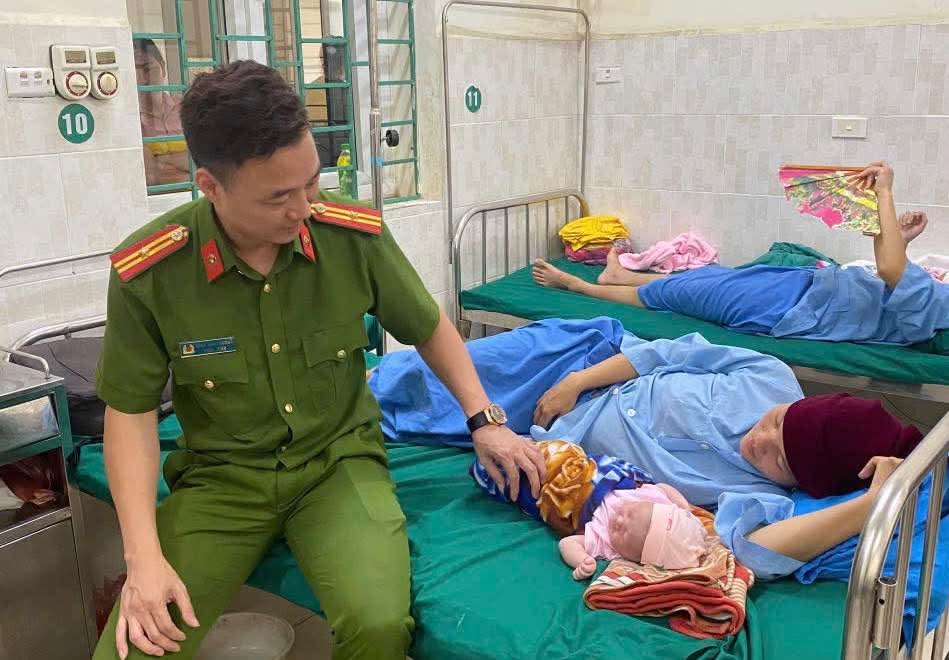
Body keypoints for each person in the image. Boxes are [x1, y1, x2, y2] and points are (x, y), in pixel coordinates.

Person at [94, 60, 544, 660]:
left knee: (379, 625)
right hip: (222, 481)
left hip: (337, 467)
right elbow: (128, 412)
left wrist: (484, 419)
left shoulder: (350, 235)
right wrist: (143, 558)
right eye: (279, 196)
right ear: (211, 187)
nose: (305, 207)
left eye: (312, 182)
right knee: (138, 645)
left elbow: (430, 327)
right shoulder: (150, 272)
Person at [533, 162, 948, 346]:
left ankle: (578, 286)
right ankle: (621, 276)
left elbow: (891, 269)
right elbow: (893, 274)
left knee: (681, 295)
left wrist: (885, 193)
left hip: (793, 309)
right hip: (812, 286)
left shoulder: (941, 308)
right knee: (705, 278)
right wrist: (900, 238)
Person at [559, 481, 708, 579]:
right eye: (629, 513)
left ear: (630, 557)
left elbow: (567, 543)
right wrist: (684, 507)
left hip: (565, 493)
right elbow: (664, 487)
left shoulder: (605, 543)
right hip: (596, 472)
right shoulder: (649, 498)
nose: (619, 520)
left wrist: (582, 561)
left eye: (622, 534)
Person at [133, 38, 190, 188]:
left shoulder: (187, 107)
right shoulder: (129, 120)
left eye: (147, 68)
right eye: (133, 72)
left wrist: (158, 161)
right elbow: (144, 176)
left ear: (163, 68)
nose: (141, 79)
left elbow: (209, 161)